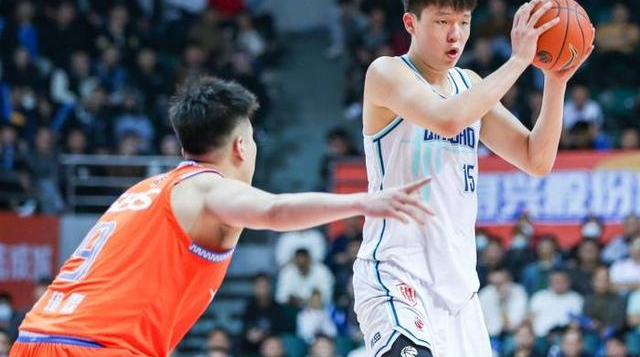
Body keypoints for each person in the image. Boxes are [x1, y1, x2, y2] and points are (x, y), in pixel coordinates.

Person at [10, 77, 432, 357]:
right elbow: (274, 210)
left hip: (34, 337)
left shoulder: (144, 190)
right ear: (240, 148)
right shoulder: (209, 189)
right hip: (95, 347)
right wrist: (363, 202)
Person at [353, 0, 592, 357]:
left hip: (460, 293)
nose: (456, 34)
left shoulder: (470, 85)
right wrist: (519, 60)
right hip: (397, 278)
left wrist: (555, 80)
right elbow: (448, 119)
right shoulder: (387, 73)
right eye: (442, 22)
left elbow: (536, 159)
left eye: (463, 22)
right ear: (411, 23)